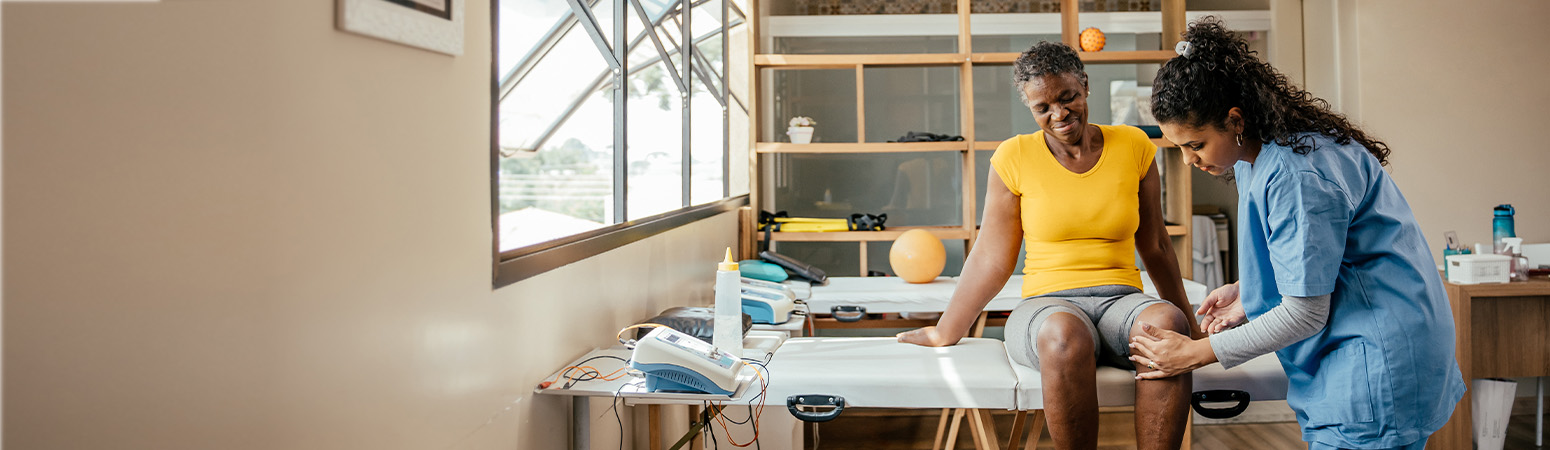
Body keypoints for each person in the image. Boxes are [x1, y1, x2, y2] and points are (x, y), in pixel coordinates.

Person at [1128, 17, 1465, 450]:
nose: (1190, 161)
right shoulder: (1261, 154)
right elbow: (1323, 255)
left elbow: (1306, 313)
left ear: (1235, 120)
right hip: (1371, 346)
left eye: (1195, 145)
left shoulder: (1295, 173)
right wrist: (1249, 291)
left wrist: (1194, 353)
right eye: (1178, 148)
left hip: (1376, 361)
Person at [897, 41, 1201, 450]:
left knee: (1166, 325)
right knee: (1064, 335)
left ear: (1085, 85)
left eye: (1068, 97)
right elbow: (991, 256)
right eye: (1043, 107)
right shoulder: (1014, 157)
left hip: (1120, 302)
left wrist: (1189, 322)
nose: (1059, 114)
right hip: (1047, 306)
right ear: (1029, 107)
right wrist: (946, 331)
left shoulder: (1134, 147)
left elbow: (1157, 245)